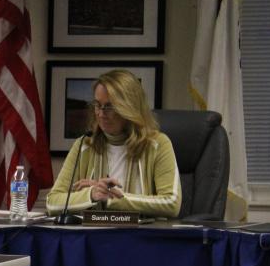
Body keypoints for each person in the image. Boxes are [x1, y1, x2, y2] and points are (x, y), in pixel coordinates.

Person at [46, 69, 181, 218]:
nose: (101, 114)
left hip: (142, 237)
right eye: (97, 105)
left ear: (130, 108)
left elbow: (171, 203)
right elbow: (52, 202)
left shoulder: (157, 144)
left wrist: (111, 198)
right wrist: (91, 194)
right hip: (93, 236)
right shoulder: (84, 145)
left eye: (109, 107)